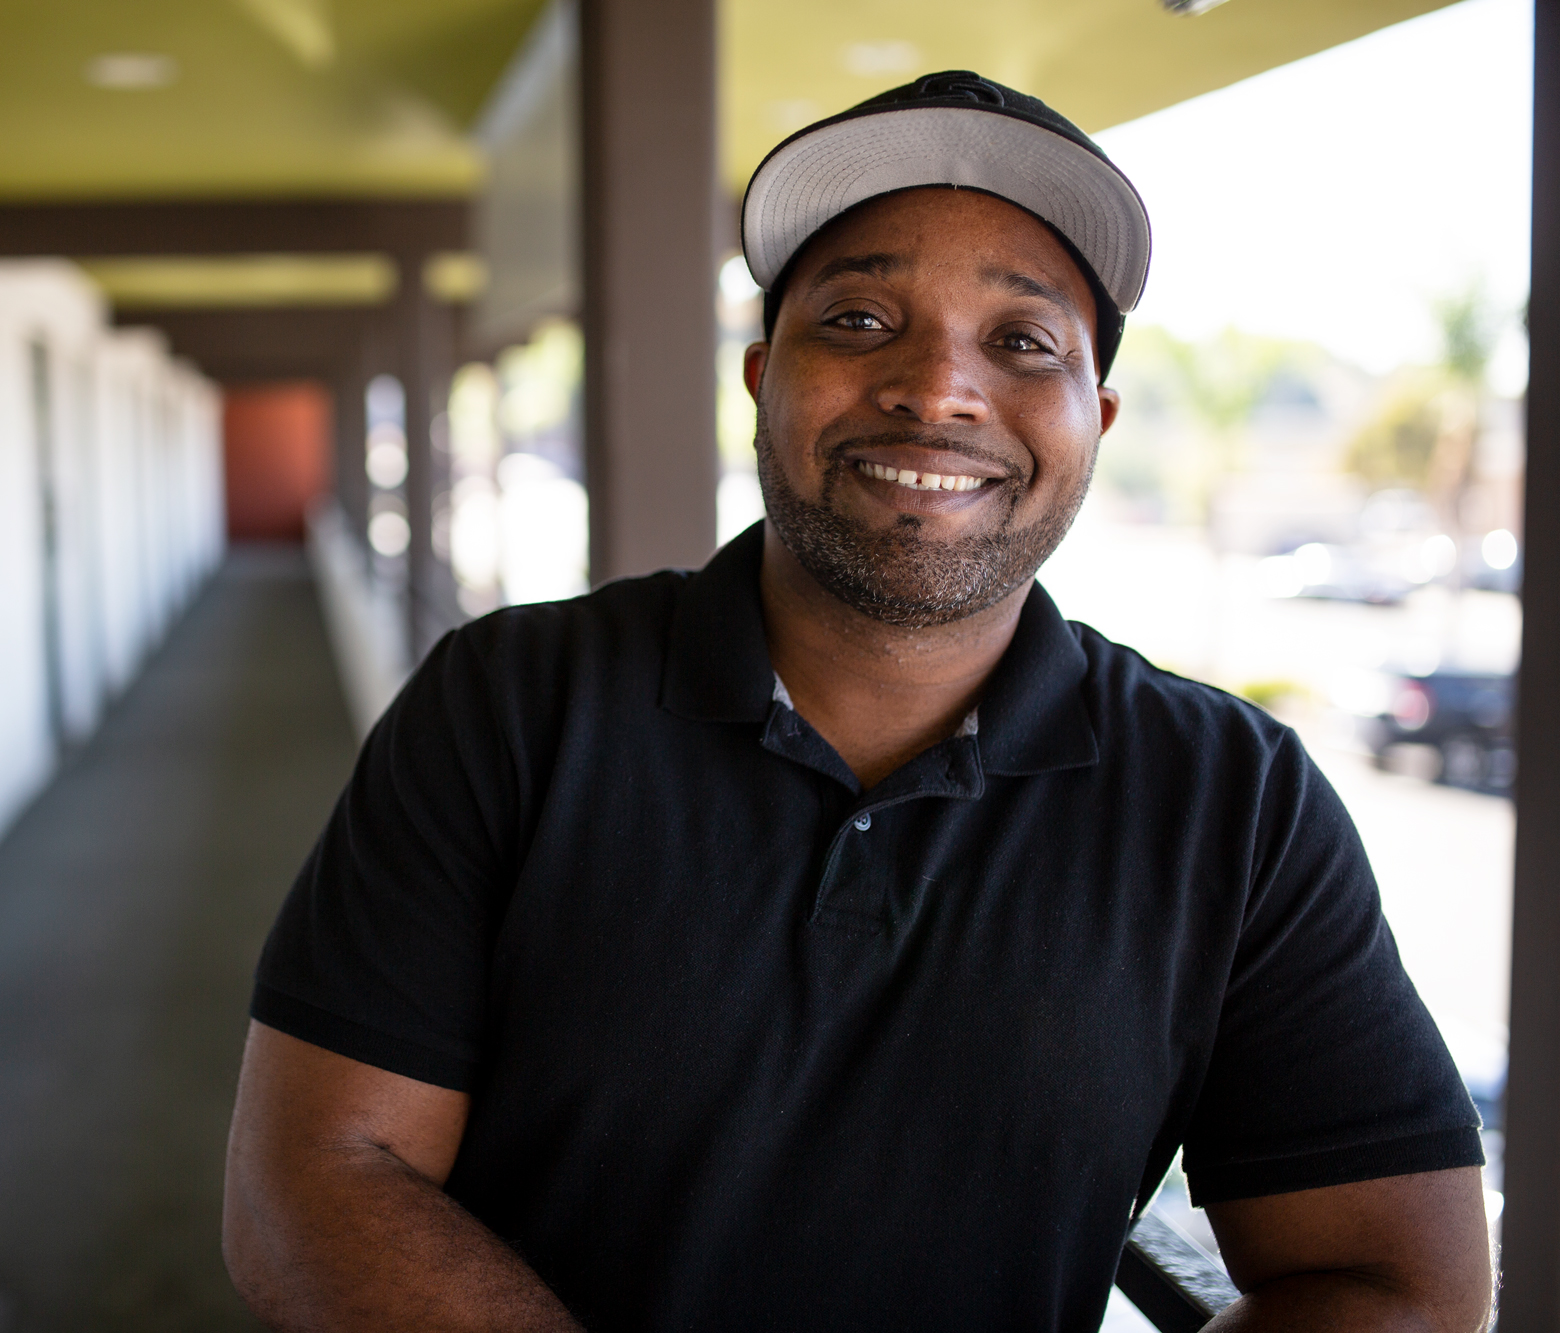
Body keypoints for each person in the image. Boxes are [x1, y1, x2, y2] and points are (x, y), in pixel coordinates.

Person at [222, 71, 1492, 1331]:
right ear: (761, 379)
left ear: (1095, 417)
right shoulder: (511, 700)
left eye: (1021, 341)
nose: (935, 388)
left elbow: (1402, 1284)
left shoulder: (1233, 797)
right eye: (859, 320)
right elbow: (314, 1179)